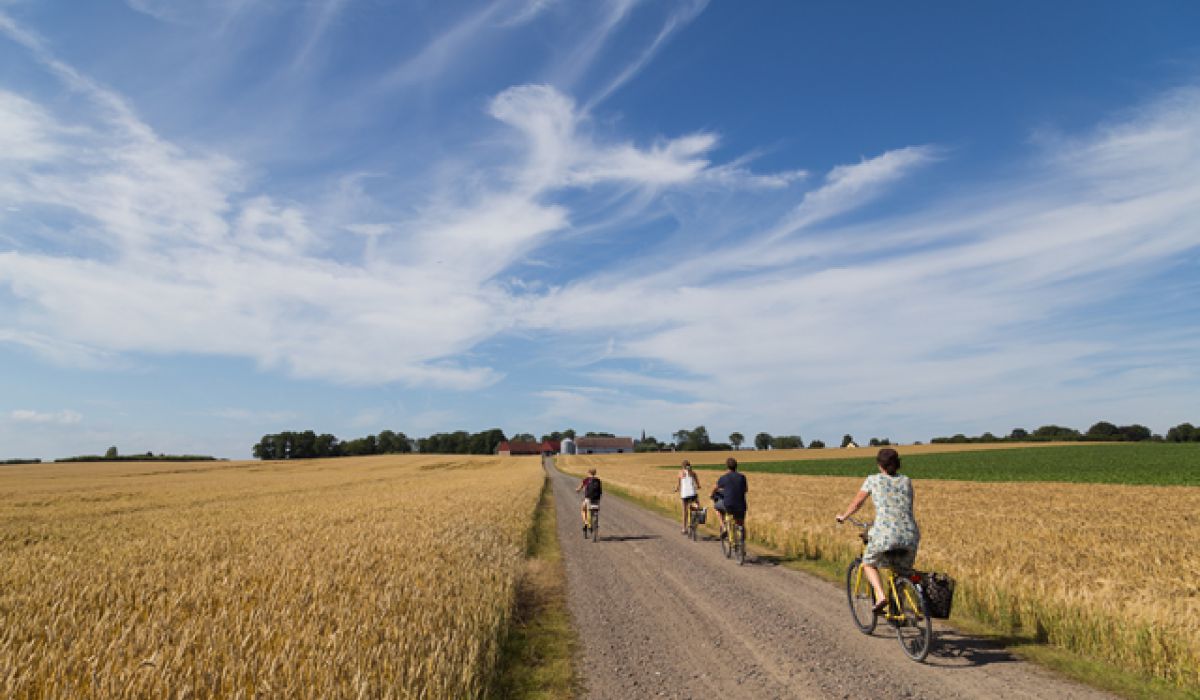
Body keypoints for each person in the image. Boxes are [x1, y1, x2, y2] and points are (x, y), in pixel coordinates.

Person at [836, 448, 920, 614]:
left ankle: (881, 596)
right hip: (911, 534)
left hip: (885, 533)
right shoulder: (906, 481)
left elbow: (857, 503)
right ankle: (899, 611)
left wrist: (843, 516)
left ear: (879, 465)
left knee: (868, 563)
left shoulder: (873, 480)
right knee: (902, 573)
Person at [715, 457, 748, 535]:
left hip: (728, 504)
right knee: (740, 521)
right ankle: (741, 539)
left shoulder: (723, 478)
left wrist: (712, 494)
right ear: (736, 466)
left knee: (717, 507)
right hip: (741, 505)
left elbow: (716, 488)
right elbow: (746, 489)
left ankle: (724, 527)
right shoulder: (742, 477)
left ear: (727, 466)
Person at [673, 460, 702, 534]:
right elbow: (698, 484)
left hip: (684, 494)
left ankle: (684, 528)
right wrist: (698, 486)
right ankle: (695, 521)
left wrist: (676, 489)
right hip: (693, 493)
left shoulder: (680, 473)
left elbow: (679, 485)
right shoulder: (693, 473)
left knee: (684, 511)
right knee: (697, 506)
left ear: (682, 466)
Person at [575, 468, 603, 532]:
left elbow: (580, 488)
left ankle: (586, 523)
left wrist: (577, 490)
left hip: (588, 499)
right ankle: (595, 521)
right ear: (595, 473)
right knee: (596, 510)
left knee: (583, 509)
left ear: (589, 473)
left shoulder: (586, 480)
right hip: (597, 499)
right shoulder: (598, 480)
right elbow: (600, 491)